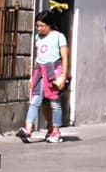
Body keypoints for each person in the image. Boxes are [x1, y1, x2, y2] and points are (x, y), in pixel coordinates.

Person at [19, 10, 69, 143]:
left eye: (42, 26)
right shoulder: (38, 38)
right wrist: (32, 77)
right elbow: (37, 57)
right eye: (37, 26)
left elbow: (64, 57)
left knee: (54, 103)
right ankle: (28, 129)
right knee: (35, 100)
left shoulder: (59, 36)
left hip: (53, 72)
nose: (39, 29)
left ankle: (56, 132)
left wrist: (63, 75)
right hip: (40, 71)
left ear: (49, 25)